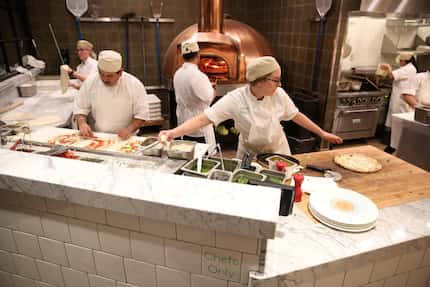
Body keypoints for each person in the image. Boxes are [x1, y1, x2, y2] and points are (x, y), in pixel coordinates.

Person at [159, 56, 342, 158]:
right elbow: (204, 118)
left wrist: (322, 133)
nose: (279, 84)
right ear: (260, 81)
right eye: (276, 80)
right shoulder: (236, 99)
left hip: (278, 152)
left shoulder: (279, 95)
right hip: (250, 154)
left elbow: (296, 115)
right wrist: (173, 133)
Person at [73, 50, 149, 140]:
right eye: (101, 74)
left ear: (120, 72)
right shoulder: (91, 82)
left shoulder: (134, 84)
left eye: (109, 76)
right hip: (98, 136)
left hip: (127, 139)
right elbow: (81, 107)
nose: (104, 79)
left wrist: (129, 129)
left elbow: (142, 114)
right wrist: (82, 124)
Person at [173, 40, 216, 146]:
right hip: (199, 124)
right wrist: (213, 89)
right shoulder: (198, 76)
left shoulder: (178, 74)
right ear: (198, 56)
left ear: (183, 56)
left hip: (183, 121)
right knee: (203, 155)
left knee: (188, 151)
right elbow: (208, 98)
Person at [379, 51, 417, 153]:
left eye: (400, 60)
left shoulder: (409, 69)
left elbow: (391, 76)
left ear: (405, 60)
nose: (399, 62)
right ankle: (392, 146)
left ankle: (392, 147)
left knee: (399, 126)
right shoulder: (407, 68)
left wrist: (388, 67)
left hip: (402, 101)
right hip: (399, 100)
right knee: (396, 126)